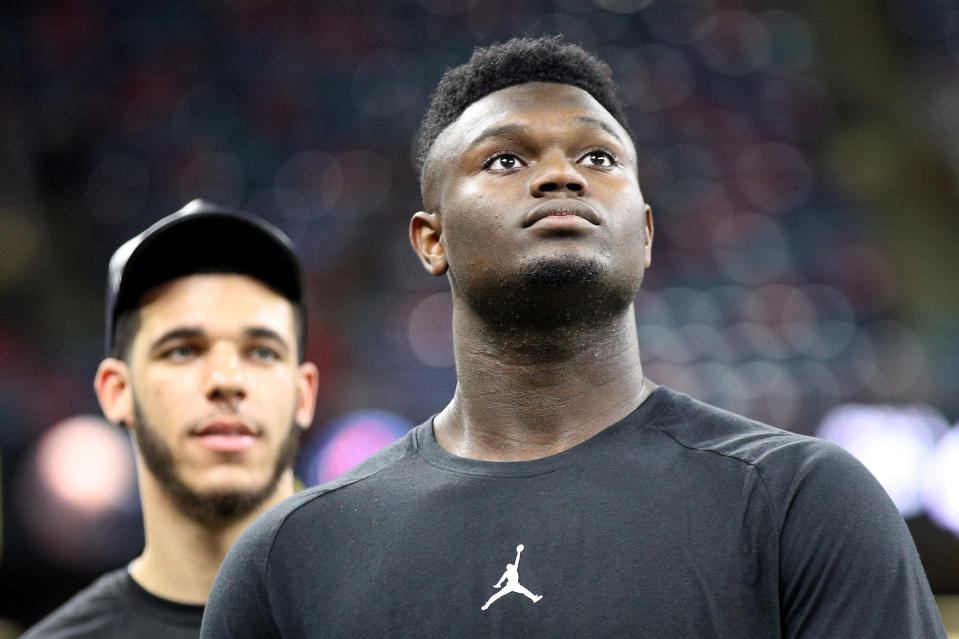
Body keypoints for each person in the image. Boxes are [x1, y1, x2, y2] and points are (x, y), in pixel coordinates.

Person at [201, 36, 946, 638]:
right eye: (504, 159)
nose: (561, 175)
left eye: (597, 157)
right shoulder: (290, 555)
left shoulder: (802, 503)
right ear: (431, 240)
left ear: (646, 232)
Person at [24, 200, 320, 638]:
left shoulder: (405, 618)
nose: (226, 380)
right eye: (183, 350)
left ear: (303, 394)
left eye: (262, 352)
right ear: (117, 391)